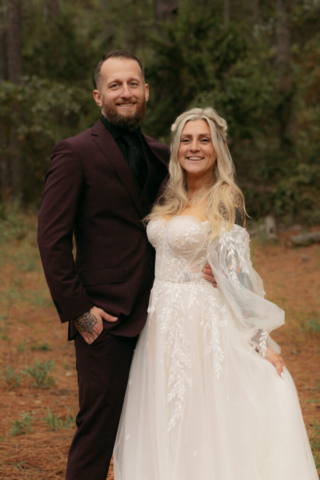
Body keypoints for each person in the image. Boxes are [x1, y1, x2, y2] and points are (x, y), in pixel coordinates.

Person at [37, 51, 215, 480]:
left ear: (146, 91)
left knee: (163, 425)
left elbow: (195, 209)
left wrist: (214, 264)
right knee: (98, 429)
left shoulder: (161, 156)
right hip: (106, 318)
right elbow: (52, 239)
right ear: (99, 96)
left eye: (133, 83)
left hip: (162, 315)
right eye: (115, 85)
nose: (126, 92)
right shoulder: (74, 152)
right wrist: (81, 312)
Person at [114, 107, 319, 480]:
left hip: (202, 321)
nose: (195, 147)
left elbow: (239, 275)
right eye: (187, 140)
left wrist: (261, 341)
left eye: (204, 140)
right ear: (176, 148)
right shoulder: (169, 197)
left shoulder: (226, 198)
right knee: (169, 414)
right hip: (160, 321)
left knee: (205, 414)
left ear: (217, 148)